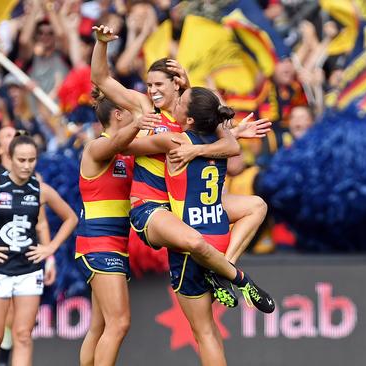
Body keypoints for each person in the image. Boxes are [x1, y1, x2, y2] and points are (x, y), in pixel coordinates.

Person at [91, 24, 271, 307]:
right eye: (149, 85)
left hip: (191, 203)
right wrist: (102, 44)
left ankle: (223, 268)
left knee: (257, 206)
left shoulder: (191, 111)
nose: (151, 91)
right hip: (158, 207)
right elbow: (101, 78)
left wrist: (220, 138)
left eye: (158, 85)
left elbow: (228, 145)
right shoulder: (143, 108)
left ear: (177, 84)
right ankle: (235, 277)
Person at [126, 87, 267, 364]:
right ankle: (226, 266)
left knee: (204, 332)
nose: (174, 104)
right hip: (219, 235)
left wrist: (132, 126)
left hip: (192, 245)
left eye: (180, 102)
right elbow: (231, 143)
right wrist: (232, 131)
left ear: (190, 120)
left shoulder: (174, 141)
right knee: (257, 206)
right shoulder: (222, 140)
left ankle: (227, 271)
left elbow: (123, 147)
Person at [0, 135, 77, 366]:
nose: (27, 165)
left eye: (32, 160)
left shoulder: (41, 189)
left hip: (28, 270)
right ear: (9, 158)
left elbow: (70, 217)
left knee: (23, 335)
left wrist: (50, 249)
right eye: (21, 160)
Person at [76, 91, 155, 366]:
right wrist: (140, 122)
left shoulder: (127, 151)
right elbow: (118, 142)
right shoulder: (96, 147)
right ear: (119, 115)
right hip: (98, 246)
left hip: (114, 248)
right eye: (130, 110)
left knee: (99, 327)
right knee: (119, 323)